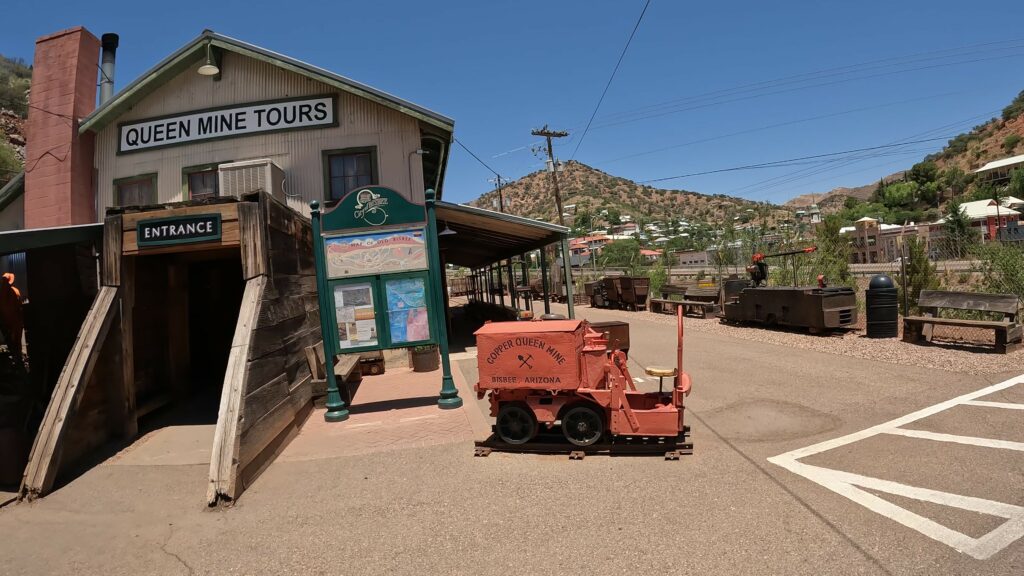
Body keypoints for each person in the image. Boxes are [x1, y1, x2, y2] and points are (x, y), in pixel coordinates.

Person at [0, 272, 24, 355]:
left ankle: (16, 358)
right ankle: (18, 357)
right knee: (17, 341)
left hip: (9, 321)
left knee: (12, 342)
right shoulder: (16, 290)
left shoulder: (2, 292)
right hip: (15, 321)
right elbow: (20, 305)